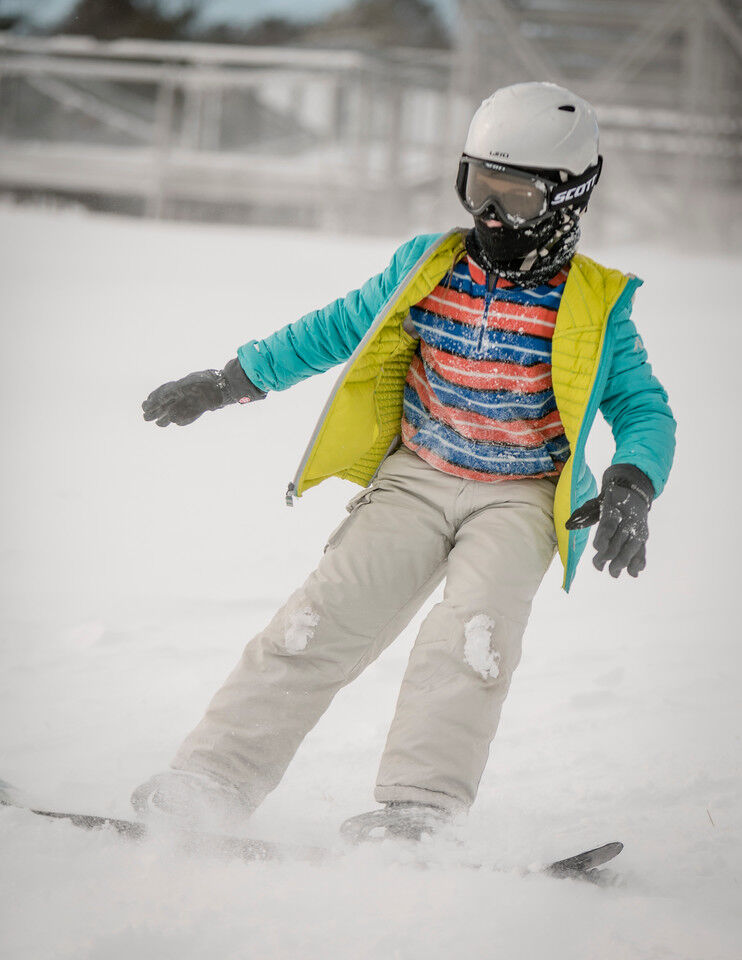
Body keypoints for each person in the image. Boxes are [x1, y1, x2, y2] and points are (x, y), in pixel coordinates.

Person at [132, 82, 676, 841]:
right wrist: (232, 381)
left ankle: (420, 810)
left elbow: (643, 408)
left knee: (471, 641)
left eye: (515, 198)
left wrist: (632, 482)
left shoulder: (596, 304)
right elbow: (332, 329)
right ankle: (212, 780)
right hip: (416, 477)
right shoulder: (428, 267)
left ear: (568, 199)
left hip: (521, 496)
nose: (490, 216)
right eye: (478, 188)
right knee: (318, 622)